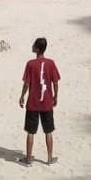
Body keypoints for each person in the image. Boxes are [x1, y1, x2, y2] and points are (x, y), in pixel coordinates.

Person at [18, 37, 61, 166]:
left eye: (33, 45)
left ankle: (29, 158)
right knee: (48, 131)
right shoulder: (51, 63)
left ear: (37, 48)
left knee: (31, 132)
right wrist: (55, 96)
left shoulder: (30, 64)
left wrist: (22, 96)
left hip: (33, 103)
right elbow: (55, 82)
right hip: (47, 103)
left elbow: (26, 83)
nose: (32, 46)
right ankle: (49, 158)